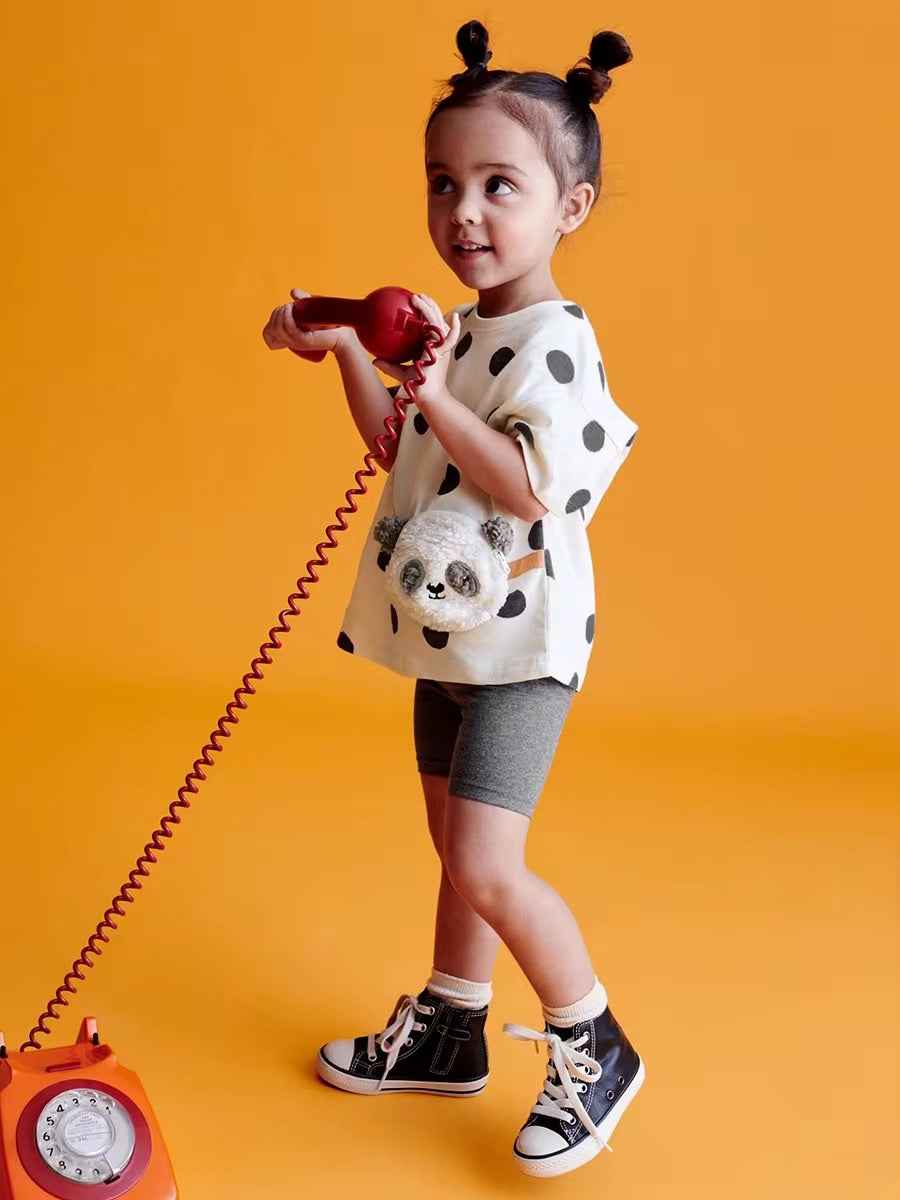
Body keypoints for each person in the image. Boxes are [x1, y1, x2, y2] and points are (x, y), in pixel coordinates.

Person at [261, 19, 644, 1179]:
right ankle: (451, 1023)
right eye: (443, 183)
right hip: (451, 639)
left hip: (521, 649)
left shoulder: (555, 346)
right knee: (452, 847)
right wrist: (347, 349)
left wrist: (431, 392)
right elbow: (403, 447)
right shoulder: (462, 336)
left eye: (497, 186)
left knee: (488, 862)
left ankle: (595, 1039)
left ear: (570, 207)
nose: (463, 211)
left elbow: (528, 486)